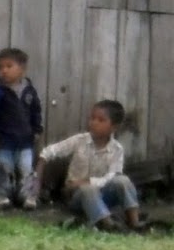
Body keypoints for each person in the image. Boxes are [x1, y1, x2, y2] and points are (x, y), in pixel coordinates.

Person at [37, 99, 145, 232]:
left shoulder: (117, 149)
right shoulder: (80, 141)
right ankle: (108, 225)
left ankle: (135, 223)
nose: (93, 123)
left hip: (103, 195)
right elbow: (49, 151)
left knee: (123, 180)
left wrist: (88, 181)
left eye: (100, 120)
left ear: (114, 127)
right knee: (87, 189)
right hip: (76, 196)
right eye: (92, 118)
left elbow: (112, 176)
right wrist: (38, 177)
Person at [0, 47, 43, 209]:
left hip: (25, 140)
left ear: (22, 69)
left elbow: (36, 111)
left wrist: (37, 129)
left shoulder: (29, 91)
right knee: (3, 167)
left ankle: (26, 196)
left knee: (26, 169)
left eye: (9, 66)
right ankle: (2, 195)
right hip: (4, 139)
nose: (4, 71)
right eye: (1, 67)